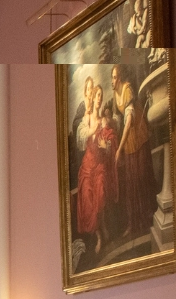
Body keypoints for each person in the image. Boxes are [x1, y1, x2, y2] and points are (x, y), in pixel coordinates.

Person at [75, 76, 118, 263]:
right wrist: (92, 134)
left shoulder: (103, 121)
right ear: (92, 98)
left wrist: (105, 145)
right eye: (96, 95)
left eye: (101, 95)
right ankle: (100, 234)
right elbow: (81, 141)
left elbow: (109, 145)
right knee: (88, 201)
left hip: (99, 165)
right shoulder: (86, 119)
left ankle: (104, 229)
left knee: (100, 196)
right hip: (87, 166)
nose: (99, 98)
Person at [112, 65, 156, 241]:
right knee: (131, 181)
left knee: (140, 177)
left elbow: (129, 122)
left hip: (137, 136)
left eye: (115, 77)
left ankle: (144, 220)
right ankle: (133, 223)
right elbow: (119, 118)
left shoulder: (128, 90)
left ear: (121, 77)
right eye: (111, 77)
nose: (112, 81)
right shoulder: (115, 95)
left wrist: (119, 149)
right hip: (129, 139)